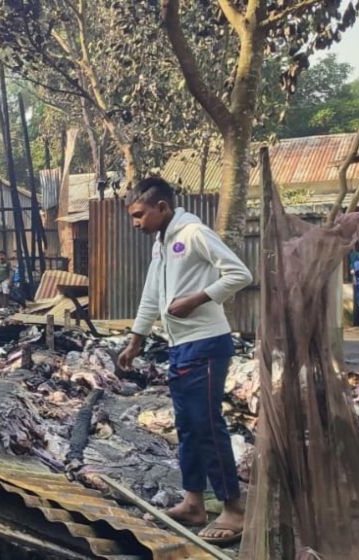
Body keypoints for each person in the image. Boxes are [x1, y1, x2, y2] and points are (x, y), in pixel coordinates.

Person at [117, 177, 252, 545]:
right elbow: (151, 293)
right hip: (180, 347)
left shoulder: (193, 232)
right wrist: (136, 340)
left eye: (140, 215)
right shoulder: (161, 244)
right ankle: (193, 501)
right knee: (188, 426)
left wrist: (198, 298)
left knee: (208, 425)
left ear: (162, 207)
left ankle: (234, 510)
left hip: (206, 343)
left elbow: (240, 274)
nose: (136, 223)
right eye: (133, 216)